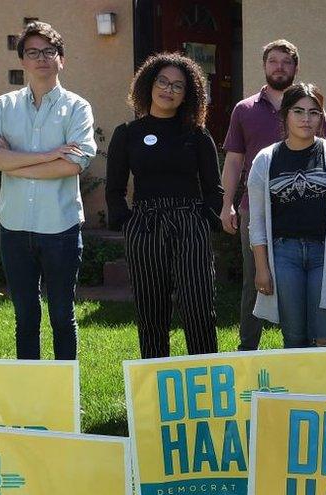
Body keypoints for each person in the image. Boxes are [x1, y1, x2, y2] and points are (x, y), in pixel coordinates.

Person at [0, 21, 96, 360]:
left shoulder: (77, 107)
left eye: (49, 51)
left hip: (61, 228)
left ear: (61, 59)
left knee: (61, 317)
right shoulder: (5, 105)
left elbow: (74, 165)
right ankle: (32, 402)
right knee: (25, 318)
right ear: (23, 61)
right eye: (33, 52)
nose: (41, 58)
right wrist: (48, 154)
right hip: (13, 228)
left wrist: (10, 160)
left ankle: (65, 402)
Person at [105, 53, 223, 359]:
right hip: (144, 225)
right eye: (163, 81)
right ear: (149, 83)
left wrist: (205, 221)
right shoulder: (128, 133)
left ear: (188, 95)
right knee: (151, 311)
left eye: (178, 86)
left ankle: (206, 385)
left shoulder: (198, 136)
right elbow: (115, 188)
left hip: (190, 224)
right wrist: (125, 222)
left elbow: (214, 188)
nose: (168, 90)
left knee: (199, 307)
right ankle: (156, 391)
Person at [220, 39, 326, 351]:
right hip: (254, 209)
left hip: (304, 212)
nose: (279, 67)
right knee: (254, 279)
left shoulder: (312, 108)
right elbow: (233, 160)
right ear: (264, 66)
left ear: (295, 68)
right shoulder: (244, 110)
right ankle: (248, 349)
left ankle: (308, 347)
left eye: (286, 62)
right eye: (273, 61)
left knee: (307, 279)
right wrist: (227, 203)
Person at [246, 83, 326, 348]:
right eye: (298, 111)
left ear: (321, 117)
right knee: (294, 338)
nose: (306, 119)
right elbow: (258, 222)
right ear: (285, 114)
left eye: (314, 112)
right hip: (284, 256)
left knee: (324, 337)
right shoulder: (265, 159)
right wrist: (262, 268)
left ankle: (324, 390)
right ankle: (297, 389)